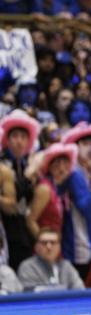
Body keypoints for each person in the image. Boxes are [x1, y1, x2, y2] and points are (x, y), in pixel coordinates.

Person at [0, 110, 41, 270]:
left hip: (24, 230)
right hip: (7, 229)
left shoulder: (26, 165)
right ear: (7, 140)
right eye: (15, 136)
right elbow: (12, 203)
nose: (19, 141)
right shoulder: (3, 165)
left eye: (23, 137)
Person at [16, 226, 85, 291]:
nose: (49, 247)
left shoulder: (66, 266)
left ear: (59, 247)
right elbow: (31, 295)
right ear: (36, 247)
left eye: (53, 242)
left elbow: (80, 291)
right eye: (44, 243)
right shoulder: (27, 267)